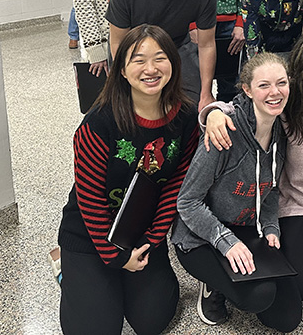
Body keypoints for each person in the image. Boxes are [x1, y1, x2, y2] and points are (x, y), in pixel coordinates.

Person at [202, 27, 303, 299]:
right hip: (293, 194)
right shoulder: (287, 92)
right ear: (302, 65)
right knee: (302, 282)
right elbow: (244, 101)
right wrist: (214, 112)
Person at [58, 25, 199, 335]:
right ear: (121, 69)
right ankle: (70, 270)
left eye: (160, 58)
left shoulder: (185, 117)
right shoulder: (99, 122)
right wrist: (114, 257)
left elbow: (176, 183)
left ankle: (118, 282)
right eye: (138, 60)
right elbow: (90, 196)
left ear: (173, 64)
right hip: (89, 235)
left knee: (152, 321)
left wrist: (153, 238)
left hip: (141, 230)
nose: (150, 68)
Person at [172, 53, 301, 332]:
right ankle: (213, 286)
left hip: (247, 227)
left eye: (281, 83)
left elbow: (272, 189)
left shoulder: (281, 130)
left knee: (287, 319)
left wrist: (270, 226)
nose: (275, 92)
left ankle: (234, 272)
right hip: (201, 234)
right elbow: (188, 202)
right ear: (247, 89)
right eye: (264, 85)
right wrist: (225, 241)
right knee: (259, 297)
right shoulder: (223, 132)